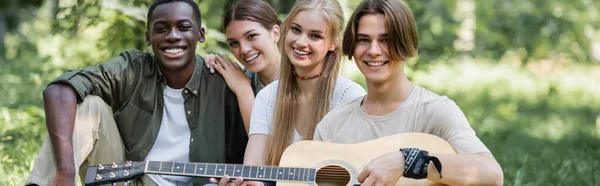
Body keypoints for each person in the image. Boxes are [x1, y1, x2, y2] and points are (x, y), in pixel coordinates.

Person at [25, 0, 248, 185]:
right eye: (161, 29)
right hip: (127, 180)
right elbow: (59, 89)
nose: (172, 36)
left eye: (183, 27)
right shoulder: (134, 69)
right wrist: (66, 172)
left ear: (200, 34)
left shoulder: (223, 80)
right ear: (148, 37)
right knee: (89, 105)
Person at [313, 0, 504, 185]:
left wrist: (408, 162)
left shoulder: (434, 111)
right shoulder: (332, 125)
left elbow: (492, 174)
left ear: (404, 42)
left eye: (386, 40)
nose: (373, 50)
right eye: (363, 40)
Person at [211, 0, 366, 185]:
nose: (301, 42)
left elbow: (360, 169)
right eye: (296, 30)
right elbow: (253, 168)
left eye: (315, 36)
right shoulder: (267, 97)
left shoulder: (350, 96)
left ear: (333, 43)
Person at [203, 0, 282, 133]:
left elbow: (266, 146)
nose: (244, 49)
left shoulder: (303, 78)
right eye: (234, 43)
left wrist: (243, 90)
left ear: (275, 33)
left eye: (251, 36)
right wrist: (210, 64)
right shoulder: (243, 78)